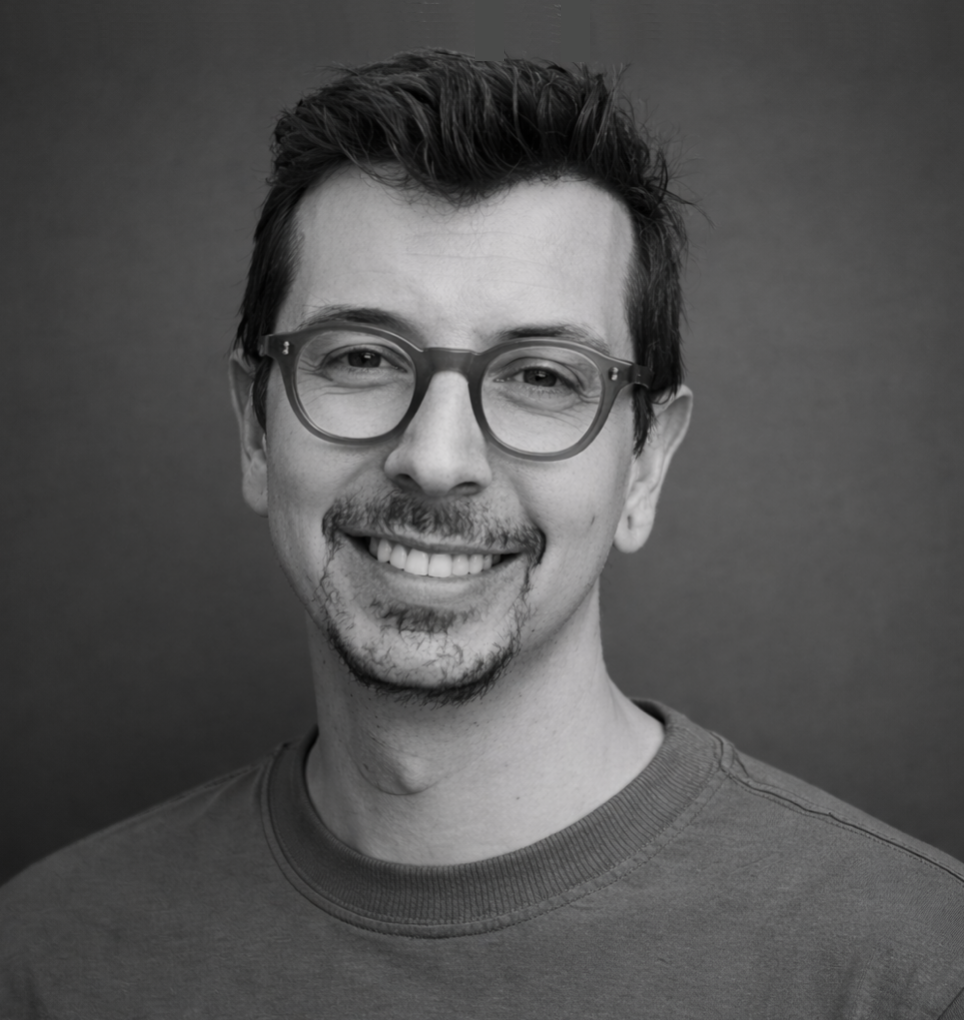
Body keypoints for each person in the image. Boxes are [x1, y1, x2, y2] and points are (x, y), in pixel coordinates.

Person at [2, 49, 963, 1019]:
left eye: (542, 374)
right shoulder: (44, 961)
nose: (436, 456)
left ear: (644, 464)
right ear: (257, 426)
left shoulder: (910, 974)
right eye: (363, 356)